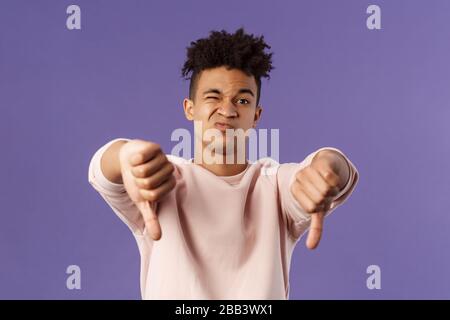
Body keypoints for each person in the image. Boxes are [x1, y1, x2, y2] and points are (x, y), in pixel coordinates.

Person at [88, 28, 359, 299]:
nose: (227, 111)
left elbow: (318, 173)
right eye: (213, 97)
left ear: (256, 115)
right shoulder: (161, 180)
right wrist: (124, 155)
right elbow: (105, 170)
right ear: (189, 108)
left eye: (242, 100)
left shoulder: (275, 185)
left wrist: (330, 164)